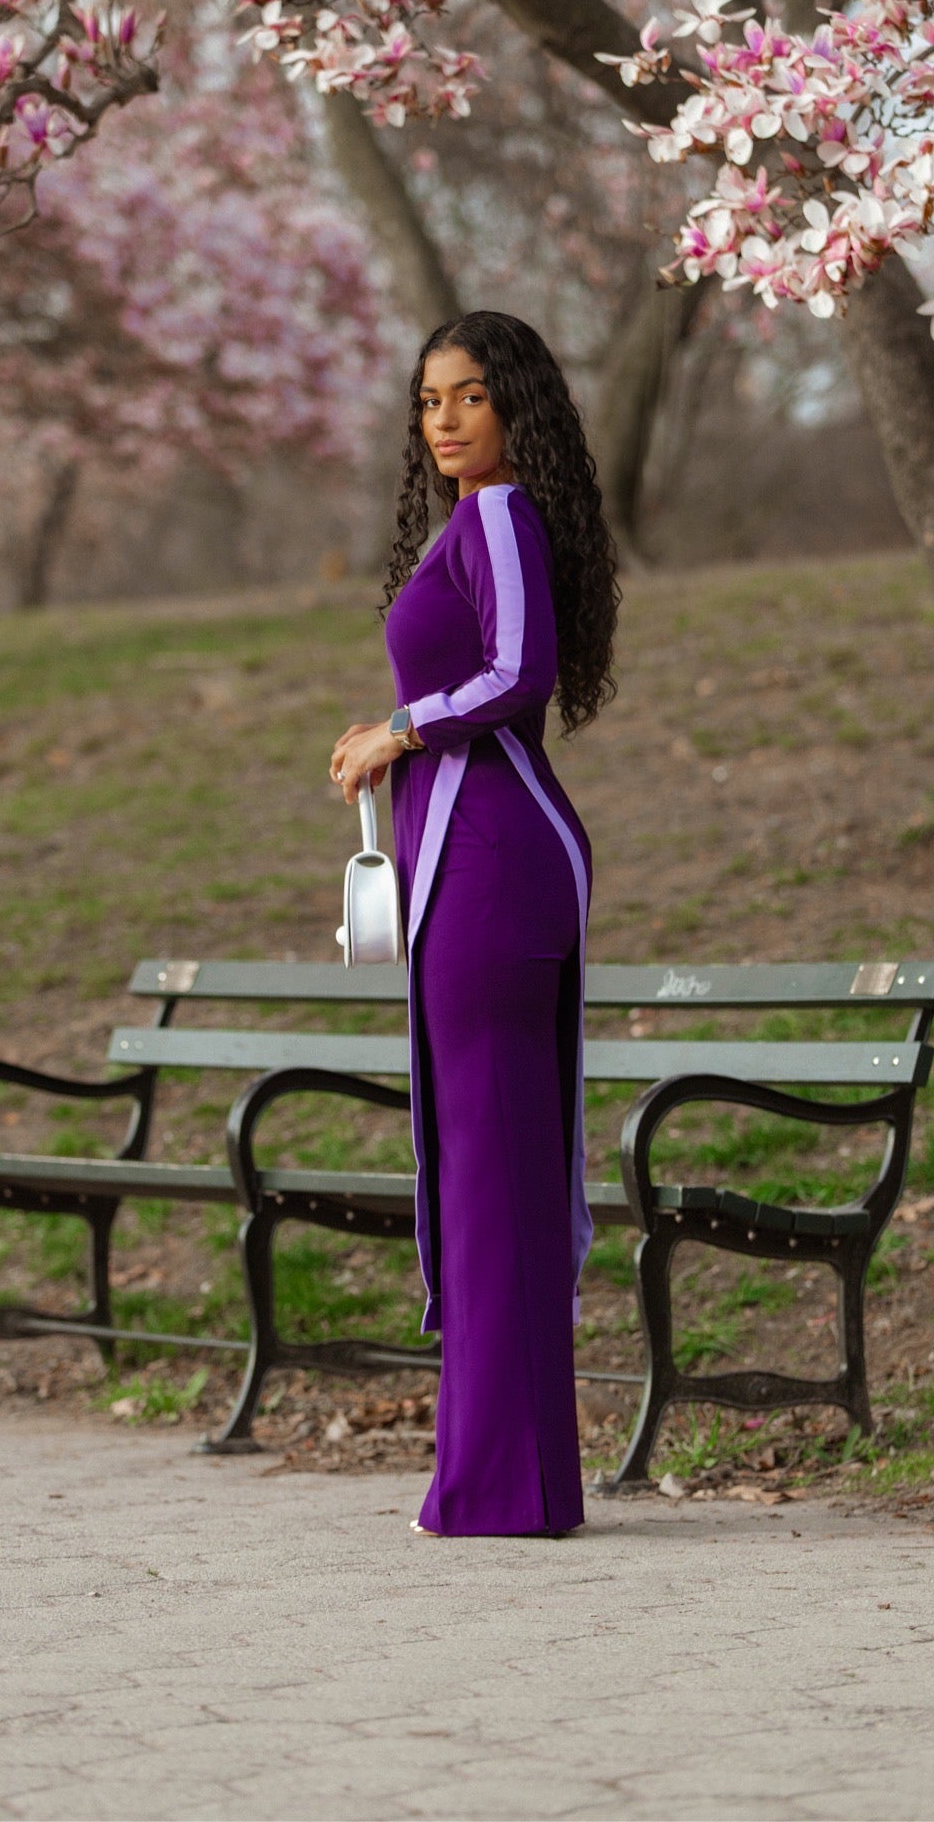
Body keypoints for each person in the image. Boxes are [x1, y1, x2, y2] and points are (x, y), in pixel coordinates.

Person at [328, 311, 620, 1538]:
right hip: (474, 858)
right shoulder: (475, 521)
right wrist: (397, 731)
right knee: (489, 1165)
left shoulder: (498, 513)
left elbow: (517, 673)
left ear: (516, 408)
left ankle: (502, 1485)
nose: (445, 420)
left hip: (494, 863)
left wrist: (398, 729)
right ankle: (513, 1479)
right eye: (430, 399)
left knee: (494, 1168)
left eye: (471, 396)